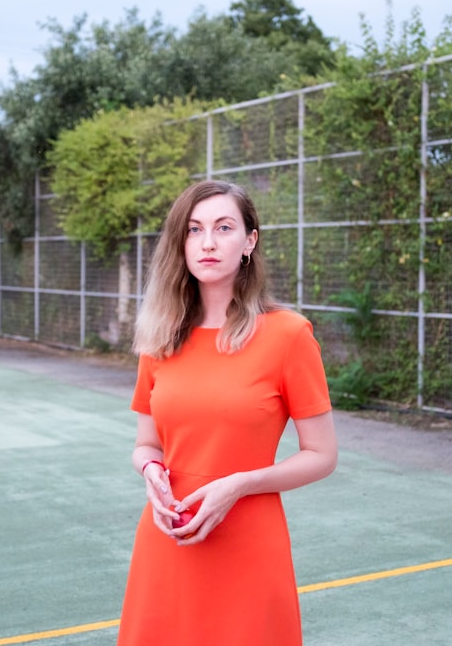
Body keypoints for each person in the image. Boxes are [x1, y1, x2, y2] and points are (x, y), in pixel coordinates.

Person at [117, 180, 338, 646]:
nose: (208, 242)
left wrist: (240, 484)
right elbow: (146, 443)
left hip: (248, 540)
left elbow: (321, 455)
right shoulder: (160, 336)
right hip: (168, 535)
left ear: (249, 241)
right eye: (195, 230)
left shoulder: (288, 335)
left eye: (223, 227)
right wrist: (151, 470)